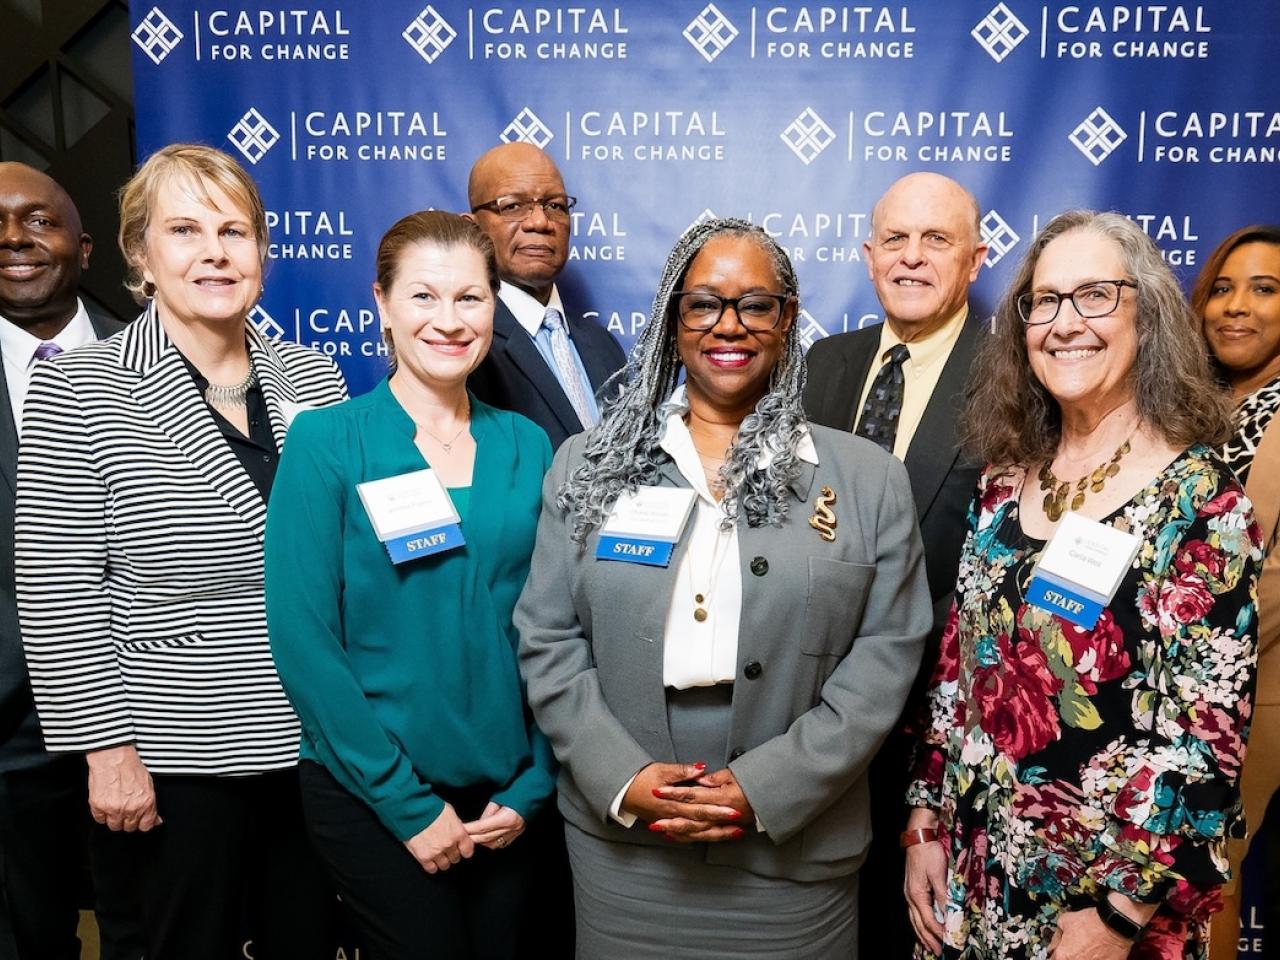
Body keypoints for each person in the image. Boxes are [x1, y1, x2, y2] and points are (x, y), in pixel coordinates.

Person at [517, 217, 932, 958]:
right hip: (629, 853)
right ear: (673, 321)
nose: (728, 325)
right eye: (704, 303)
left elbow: (886, 657)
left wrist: (766, 787)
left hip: (794, 854)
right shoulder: (587, 466)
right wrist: (623, 778)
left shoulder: (868, 480)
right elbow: (548, 638)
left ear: (788, 319)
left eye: (755, 304)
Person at [13, 144, 347, 960]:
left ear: (262, 250)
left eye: (235, 231)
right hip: (172, 759)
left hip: (316, 744)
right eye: (185, 230)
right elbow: (57, 592)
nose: (215, 253)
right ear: (140, 253)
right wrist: (107, 753)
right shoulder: (78, 385)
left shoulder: (315, 379)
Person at [905, 210, 1261, 960]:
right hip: (974, 880)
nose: (1065, 323)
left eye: (1095, 295)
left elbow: (1206, 742)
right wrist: (926, 823)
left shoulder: (1201, 503)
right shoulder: (1004, 482)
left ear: (1148, 314)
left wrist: (1121, 915)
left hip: (1101, 909)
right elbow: (958, 673)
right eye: (1044, 300)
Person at [264, 210, 556, 959]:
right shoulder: (327, 442)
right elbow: (303, 641)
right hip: (372, 791)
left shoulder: (527, 444)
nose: (449, 321)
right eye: (423, 296)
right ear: (382, 304)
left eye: (470, 298)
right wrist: (406, 805)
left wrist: (534, 787)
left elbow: (558, 629)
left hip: (507, 797)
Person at [803, 171, 988, 957]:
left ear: (976, 259)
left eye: (936, 239)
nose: (912, 257)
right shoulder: (822, 363)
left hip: (934, 727)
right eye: (896, 239)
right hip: (809, 719)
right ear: (869, 254)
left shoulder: (1014, 373)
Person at [0, 162, 141, 960]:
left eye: (38, 220)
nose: (14, 239)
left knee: (151, 935)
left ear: (85, 250)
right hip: (7, 733)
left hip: (147, 712)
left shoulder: (159, 359)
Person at [1193, 225, 1280, 960]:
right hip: (1163, 682)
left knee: (1210, 871)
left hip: (1249, 690)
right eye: (1222, 288)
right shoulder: (1191, 406)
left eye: (1264, 289)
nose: (1236, 306)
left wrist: (1199, 662)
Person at [465, 142, 626, 449]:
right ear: (472, 230)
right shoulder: (465, 347)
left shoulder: (604, 345)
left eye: (555, 205)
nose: (540, 222)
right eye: (512, 206)